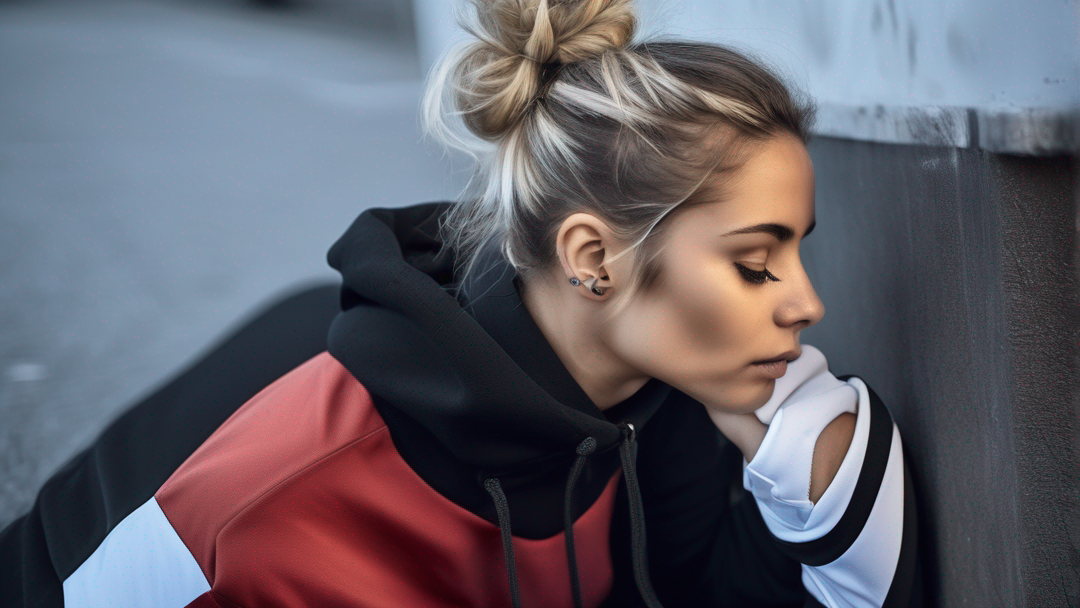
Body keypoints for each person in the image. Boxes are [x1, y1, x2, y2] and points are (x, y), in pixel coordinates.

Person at [0, 0, 924, 606]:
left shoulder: (655, 404)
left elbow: (680, 595)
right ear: (593, 257)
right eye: (757, 263)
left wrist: (817, 514)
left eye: (798, 249)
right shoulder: (280, 480)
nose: (808, 303)